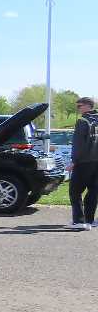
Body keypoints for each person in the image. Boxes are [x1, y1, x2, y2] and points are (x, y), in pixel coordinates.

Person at [67, 96, 98, 230]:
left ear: (87, 106)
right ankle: (89, 220)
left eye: (79, 106)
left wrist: (74, 161)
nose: (78, 109)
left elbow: (79, 143)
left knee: (75, 190)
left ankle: (79, 221)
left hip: (85, 161)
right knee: (93, 191)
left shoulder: (83, 120)